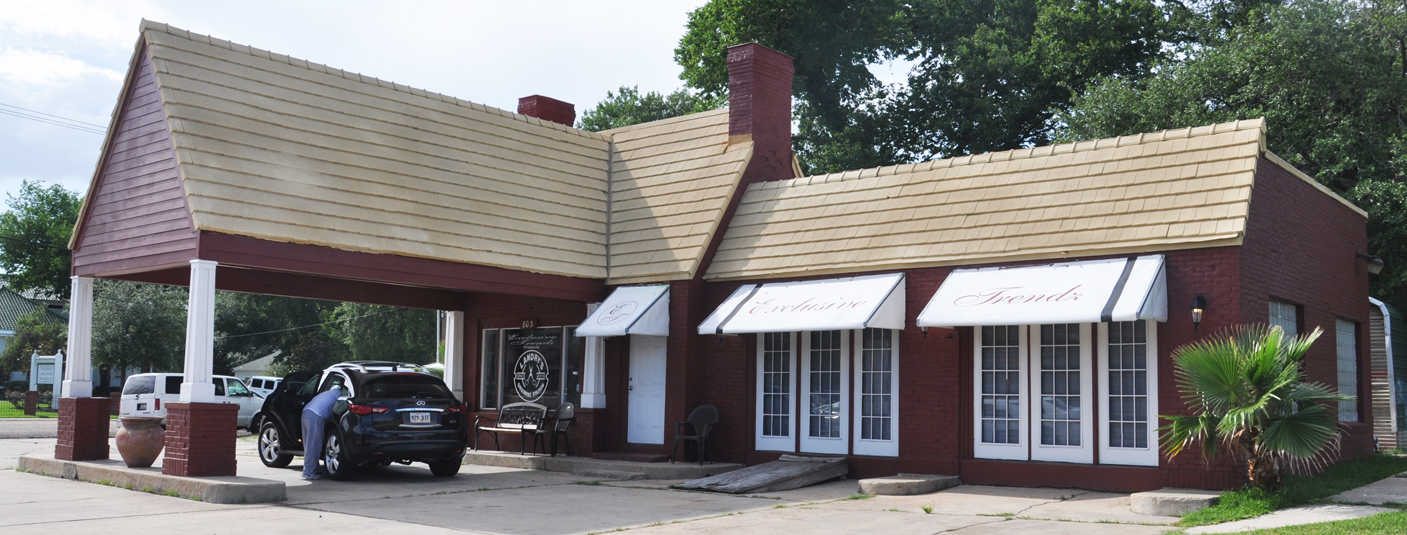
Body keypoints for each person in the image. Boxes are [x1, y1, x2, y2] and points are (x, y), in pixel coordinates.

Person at [301, 386, 343, 480]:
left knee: (308, 444)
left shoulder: (327, 393)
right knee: (314, 445)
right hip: (316, 415)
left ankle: (314, 468)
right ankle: (308, 472)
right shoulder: (339, 396)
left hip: (306, 411)